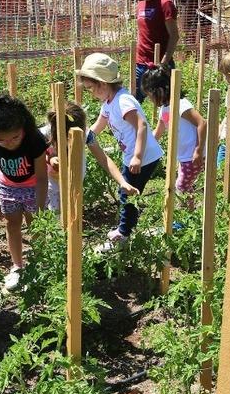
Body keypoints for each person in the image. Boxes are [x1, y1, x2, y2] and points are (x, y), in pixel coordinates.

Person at [80, 53, 163, 250]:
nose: (92, 93)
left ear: (103, 84)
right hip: (133, 156)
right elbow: (98, 126)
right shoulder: (108, 103)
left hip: (143, 157)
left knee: (127, 193)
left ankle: (123, 235)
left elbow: (142, 126)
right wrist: (81, 138)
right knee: (127, 190)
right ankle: (125, 228)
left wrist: (137, 156)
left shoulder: (123, 101)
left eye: (92, 88)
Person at [0, 94, 48, 291]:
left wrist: (39, 205)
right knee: (12, 225)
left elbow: (42, 176)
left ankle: (39, 265)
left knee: (35, 226)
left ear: (23, 128)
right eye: (1, 139)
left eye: (14, 137)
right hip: (7, 186)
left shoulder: (34, 139)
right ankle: (17, 266)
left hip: (32, 187)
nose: (9, 143)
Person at [41, 102, 139, 213]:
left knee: (73, 215)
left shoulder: (87, 134)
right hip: (51, 186)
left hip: (75, 183)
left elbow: (103, 158)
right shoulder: (44, 135)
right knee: (56, 218)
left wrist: (122, 182)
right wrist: (50, 159)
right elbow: (34, 157)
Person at [142, 65, 207, 204]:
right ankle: (189, 215)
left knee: (180, 187)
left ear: (159, 91)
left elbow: (202, 123)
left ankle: (181, 219)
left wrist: (199, 150)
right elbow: (158, 133)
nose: (150, 100)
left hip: (192, 156)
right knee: (185, 187)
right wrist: (143, 147)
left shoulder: (181, 105)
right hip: (183, 157)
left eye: (150, 96)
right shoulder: (164, 109)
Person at [128, 0, 179, 102]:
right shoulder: (141, 3)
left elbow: (174, 35)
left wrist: (164, 63)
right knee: (133, 102)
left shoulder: (165, 3)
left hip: (160, 64)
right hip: (140, 64)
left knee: (167, 104)